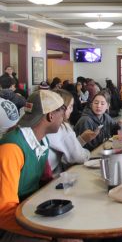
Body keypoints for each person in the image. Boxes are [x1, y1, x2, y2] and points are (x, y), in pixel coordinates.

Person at [0, 90, 65, 241]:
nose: (63, 120)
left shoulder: (42, 141)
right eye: (62, 114)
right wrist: (52, 234)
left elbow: (46, 183)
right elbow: (3, 213)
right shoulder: (11, 149)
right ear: (51, 116)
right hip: (11, 225)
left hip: (30, 213)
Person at [47, 89, 96, 177]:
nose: (72, 110)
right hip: (51, 177)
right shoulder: (62, 127)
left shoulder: (47, 123)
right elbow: (78, 157)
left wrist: (81, 140)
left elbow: (66, 147)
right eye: (70, 107)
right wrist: (89, 154)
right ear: (61, 108)